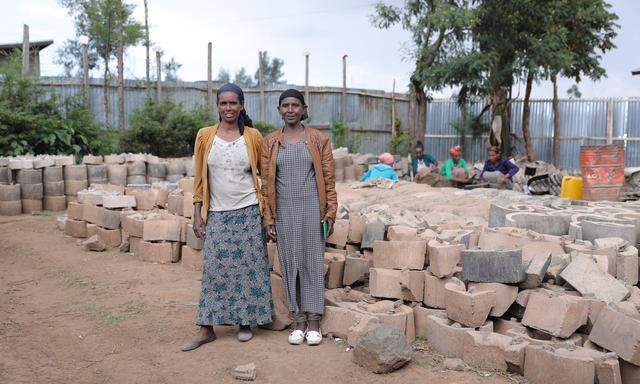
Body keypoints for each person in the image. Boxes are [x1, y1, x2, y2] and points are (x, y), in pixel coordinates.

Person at [181, 83, 272, 351]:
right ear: (218, 106)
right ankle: (206, 327)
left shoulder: (253, 136)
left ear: (242, 105)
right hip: (218, 213)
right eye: (223, 103)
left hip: (248, 210)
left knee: (249, 268)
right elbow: (199, 176)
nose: (228, 108)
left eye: (233, 103)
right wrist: (197, 213)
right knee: (213, 270)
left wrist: (267, 217)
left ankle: (245, 322)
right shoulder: (205, 136)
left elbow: (264, 177)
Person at [260, 89, 337, 346]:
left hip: (312, 210)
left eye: (295, 105)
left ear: (304, 109)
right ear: (279, 110)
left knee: (312, 262)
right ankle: (298, 320)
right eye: (285, 105)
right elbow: (265, 184)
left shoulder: (317, 139)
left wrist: (331, 213)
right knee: (289, 262)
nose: (290, 110)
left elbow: (328, 178)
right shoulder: (270, 142)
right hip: (283, 211)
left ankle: (314, 320)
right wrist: (268, 218)